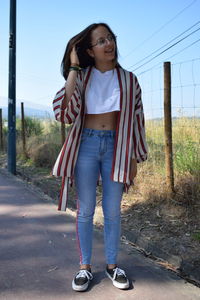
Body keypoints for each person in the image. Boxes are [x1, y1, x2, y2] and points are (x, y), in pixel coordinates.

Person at [52, 23, 148, 292]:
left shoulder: (129, 80)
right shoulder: (82, 78)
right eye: (101, 41)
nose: (109, 44)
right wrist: (73, 68)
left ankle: (112, 265)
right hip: (87, 145)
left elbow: (137, 121)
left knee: (113, 210)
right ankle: (84, 268)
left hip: (117, 147)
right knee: (84, 211)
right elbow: (63, 113)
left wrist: (133, 158)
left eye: (111, 38)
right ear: (90, 51)